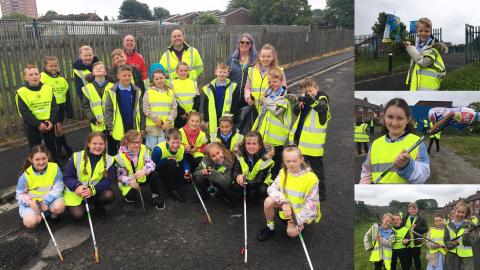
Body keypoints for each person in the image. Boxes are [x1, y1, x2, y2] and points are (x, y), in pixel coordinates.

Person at [256, 146, 320, 241]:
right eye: (288, 161)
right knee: (268, 202)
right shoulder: (283, 173)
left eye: (294, 161)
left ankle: (301, 226)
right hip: (286, 207)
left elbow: (312, 205)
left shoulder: (311, 178)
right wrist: (284, 202)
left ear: (301, 159)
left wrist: (297, 219)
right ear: (284, 161)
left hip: (300, 212)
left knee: (291, 232)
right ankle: (270, 228)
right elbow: (271, 189)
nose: (291, 164)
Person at [360, 98, 430, 184]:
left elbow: (424, 175)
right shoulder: (375, 144)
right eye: (390, 117)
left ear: (408, 119)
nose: (394, 123)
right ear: (384, 117)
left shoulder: (418, 143)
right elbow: (367, 171)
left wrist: (407, 165)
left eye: (400, 118)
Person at [289, 77, 330, 201]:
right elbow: (296, 111)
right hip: (300, 142)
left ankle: (321, 194)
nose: (309, 94)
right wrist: (298, 105)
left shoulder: (322, 99)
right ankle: (301, 190)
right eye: (305, 92)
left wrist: (309, 99)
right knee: (300, 169)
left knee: (317, 171)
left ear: (317, 89)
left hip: (313, 146)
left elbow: (321, 107)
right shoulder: (305, 101)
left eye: (311, 91)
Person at [62, 132, 116, 219]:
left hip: (94, 191)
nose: (98, 146)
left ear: (105, 145)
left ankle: (97, 204)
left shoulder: (110, 159)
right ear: (88, 144)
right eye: (94, 143)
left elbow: (110, 179)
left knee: (109, 195)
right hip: (76, 191)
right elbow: (67, 177)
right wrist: (77, 186)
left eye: (101, 143)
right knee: (78, 216)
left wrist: (92, 190)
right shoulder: (76, 156)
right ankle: (80, 204)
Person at [252, 68, 291, 181]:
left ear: (281, 81)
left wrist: (266, 100)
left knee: (276, 162)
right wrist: (260, 100)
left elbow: (277, 111)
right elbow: (263, 111)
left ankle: (276, 182)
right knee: (265, 160)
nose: (271, 84)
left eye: (275, 82)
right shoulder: (268, 93)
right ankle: (265, 181)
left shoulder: (284, 97)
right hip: (265, 135)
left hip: (276, 137)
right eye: (269, 82)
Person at [15, 64, 58, 161]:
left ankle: (55, 164)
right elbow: (24, 112)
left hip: (48, 123)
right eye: (30, 75)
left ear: (40, 75)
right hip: (33, 125)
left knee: (51, 147)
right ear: (25, 77)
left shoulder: (48, 88)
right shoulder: (21, 92)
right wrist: (38, 124)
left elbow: (54, 106)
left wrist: (52, 121)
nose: (34, 76)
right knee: (35, 149)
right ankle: (38, 167)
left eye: (36, 74)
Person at [16, 145, 65, 228]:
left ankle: (53, 214)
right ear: (31, 160)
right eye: (37, 159)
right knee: (30, 223)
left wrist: (46, 202)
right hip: (34, 203)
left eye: (43, 158)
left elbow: (59, 187)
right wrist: (31, 203)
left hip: (50, 200)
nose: (41, 162)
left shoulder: (55, 168)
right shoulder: (25, 175)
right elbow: (20, 194)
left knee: (59, 207)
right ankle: (40, 215)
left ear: (48, 157)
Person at [115, 130, 164, 210]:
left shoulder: (143, 148)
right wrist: (130, 181)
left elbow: (151, 163)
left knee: (154, 174)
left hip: (142, 176)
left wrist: (144, 171)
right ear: (127, 142)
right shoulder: (119, 157)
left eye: (138, 142)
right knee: (130, 197)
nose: (137, 145)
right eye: (134, 143)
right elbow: (120, 177)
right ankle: (129, 196)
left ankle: (155, 195)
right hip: (130, 181)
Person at [104, 64, 145, 155]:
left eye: (129, 75)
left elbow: (141, 110)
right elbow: (108, 111)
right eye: (124, 75)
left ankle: (134, 166)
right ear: (118, 76)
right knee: (122, 151)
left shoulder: (137, 91)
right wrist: (110, 127)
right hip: (119, 128)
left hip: (134, 126)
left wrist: (142, 127)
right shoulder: (112, 92)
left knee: (134, 150)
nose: (127, 78)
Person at [40, 56, 73, 158]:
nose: (53, 68)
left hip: (60, 107)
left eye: (55, 65)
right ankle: (63, 149)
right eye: (51, 66)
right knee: (57, 130)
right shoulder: (42, 78)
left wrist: (69, 107)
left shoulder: (61, 78)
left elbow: (66, 93)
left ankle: (59, 150)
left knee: (58, 130)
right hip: (50, 108)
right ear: (45, 66)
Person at [232, 131, 274, 206]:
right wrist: (238, 176)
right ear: (244, 145)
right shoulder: (239, 154)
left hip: (261, 182)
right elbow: (236, 169)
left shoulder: (266, 158)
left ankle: (260, 198)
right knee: (235, 186)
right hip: (247, 180)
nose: (251, 146)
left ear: (260, 145)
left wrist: (247, 183)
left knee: (262, 190)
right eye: (248, 144)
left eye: (254, 144)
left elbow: (260, 180)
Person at [405, 17, 446, 91]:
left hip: (428, 86)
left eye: (426, 31)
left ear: (430, 32)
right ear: (416, 32)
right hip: (417, 84)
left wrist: (410, 48)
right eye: (420, 31)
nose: (423, 33)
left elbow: (423, 63)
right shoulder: (418, 46)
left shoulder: (433, 48)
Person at [244, 44, 286, 112]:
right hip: (254, 109)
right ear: (259, 57)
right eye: (263, 56)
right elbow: (247, 88)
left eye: (268, 57)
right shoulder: (252, 70)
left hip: (269, 110)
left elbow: (283, 89)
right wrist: (248, 97)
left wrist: (268, 99)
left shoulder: (279, 71)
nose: (265, 59)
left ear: (273, 58)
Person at [151, 128, 190, 202]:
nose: (175, 145)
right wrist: (166, 159)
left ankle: (170, 182)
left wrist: (187, 172)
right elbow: (152, 167)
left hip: (173, 168)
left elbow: (185, 161)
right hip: (160, 171)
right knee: (171, 162)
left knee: (187, 180)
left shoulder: (182, 148)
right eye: (173, 142)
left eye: (178, 142)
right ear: (167, 141)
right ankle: (172, 189)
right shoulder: (158, 149)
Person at [227, 33, 258, 124]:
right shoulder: (231, 59)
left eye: (247, 42)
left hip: (248, 97)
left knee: (246, 123)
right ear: (238, 43)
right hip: (232, 97)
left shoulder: (256, 60)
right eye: (242, 42)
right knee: (231, 122)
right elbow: (226, 75)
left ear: (251, 45)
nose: (244, 44)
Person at [143, 69, 176, 150]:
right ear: (153, 80)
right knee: (151, 148)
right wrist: (156, 118)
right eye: (156, 79)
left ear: (165, 77)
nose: (159, 80)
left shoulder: (170, 92)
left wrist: (169, 121)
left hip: (166, 127)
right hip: (153, 126)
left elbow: (174, 108)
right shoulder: (148, 92)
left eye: (161, 78)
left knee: (165, 149)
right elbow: (145, 108)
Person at [193, 142, 234, 207]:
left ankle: (223, 196)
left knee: (229, 190)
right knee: (199, 178)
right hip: (210, 181)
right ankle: (204, 194)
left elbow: (227, 182)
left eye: (218, 153)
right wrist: (202, 172)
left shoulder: (228, 162)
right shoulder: (205, 161)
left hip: (222, 183)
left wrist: (213, 173)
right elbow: (195, 174)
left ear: (221, 150)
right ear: (209, 157)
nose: (217, 157)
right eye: (213, 156)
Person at [202, 63, 237, 135]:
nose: (222, 74)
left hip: (226, 116)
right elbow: (205, 105)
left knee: (226, 134)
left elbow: (235, 104)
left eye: (224, 72)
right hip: (213, 116)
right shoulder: (209, 87)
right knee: (214, 135)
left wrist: (232, 117)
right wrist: (206, 120)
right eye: (220, 72)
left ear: (227, 74)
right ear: (216, 72)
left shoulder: (233, 87)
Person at [81, 62, 113, 133]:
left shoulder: (113, 87)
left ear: (105, 73)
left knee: (112, 143)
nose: (98, 68)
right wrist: (93, 119)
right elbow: (85, 106)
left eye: (101, 68)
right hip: (97, 124)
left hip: (111, 123)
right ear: (92, 73)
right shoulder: (87, 88)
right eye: (96, 68)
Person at [444, 201, 477, 270]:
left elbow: (472, 242)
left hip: (466, 257)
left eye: (463, 212)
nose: (460, 214)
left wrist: (466, 236)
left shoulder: (470, 225)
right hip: (452, 256)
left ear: (465, 213)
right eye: (458, 211)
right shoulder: (449, 225)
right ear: (455, 211)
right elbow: (446, 241)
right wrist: (452, 244)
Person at [170, 62, 200, 128]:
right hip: (179, 115)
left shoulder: (193, 82)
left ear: (188, 71)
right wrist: (181, 112)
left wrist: (194, 111)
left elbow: (197, 98)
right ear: (176, 72)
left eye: (185, 70)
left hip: (191, 115)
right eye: (181, 71)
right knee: (180, 135)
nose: (183, 72)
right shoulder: (172, 83)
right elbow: (172, 100)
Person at [403, 202, 428, 270]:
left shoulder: (421, 219)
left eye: (415, 209)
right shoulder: (404, 219)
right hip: (407, 242)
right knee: (408, 259)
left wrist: (417, 228)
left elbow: (426, 229)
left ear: (417, 210)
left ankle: (418, 268)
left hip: (417, 242)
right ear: (408, 210)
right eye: (411, 209)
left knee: (417, 259)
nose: (413, 211)